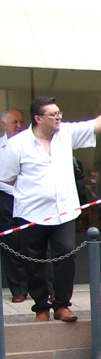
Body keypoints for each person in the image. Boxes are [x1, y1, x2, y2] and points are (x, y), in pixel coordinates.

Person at [0, 90, 101, 322]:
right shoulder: (17, 144)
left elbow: (99, 123)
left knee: (66, 254)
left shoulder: (66, 133)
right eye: (53, 114)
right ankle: (41, 307)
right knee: (34, 261)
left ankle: (62, 304)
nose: (58, 118)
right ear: (38, 118)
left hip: (64, 211)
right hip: (30, 214)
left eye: (59, 113)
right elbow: (6, 177)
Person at [0, 107, 28, 303]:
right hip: (6, 198)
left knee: (35, 243)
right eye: (14, 122)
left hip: (29, 199)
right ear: (4, 124)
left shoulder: (30, 144)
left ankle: (47, 288)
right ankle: (18, 289)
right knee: (11, 245)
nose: (19, 126)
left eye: (21, 122)